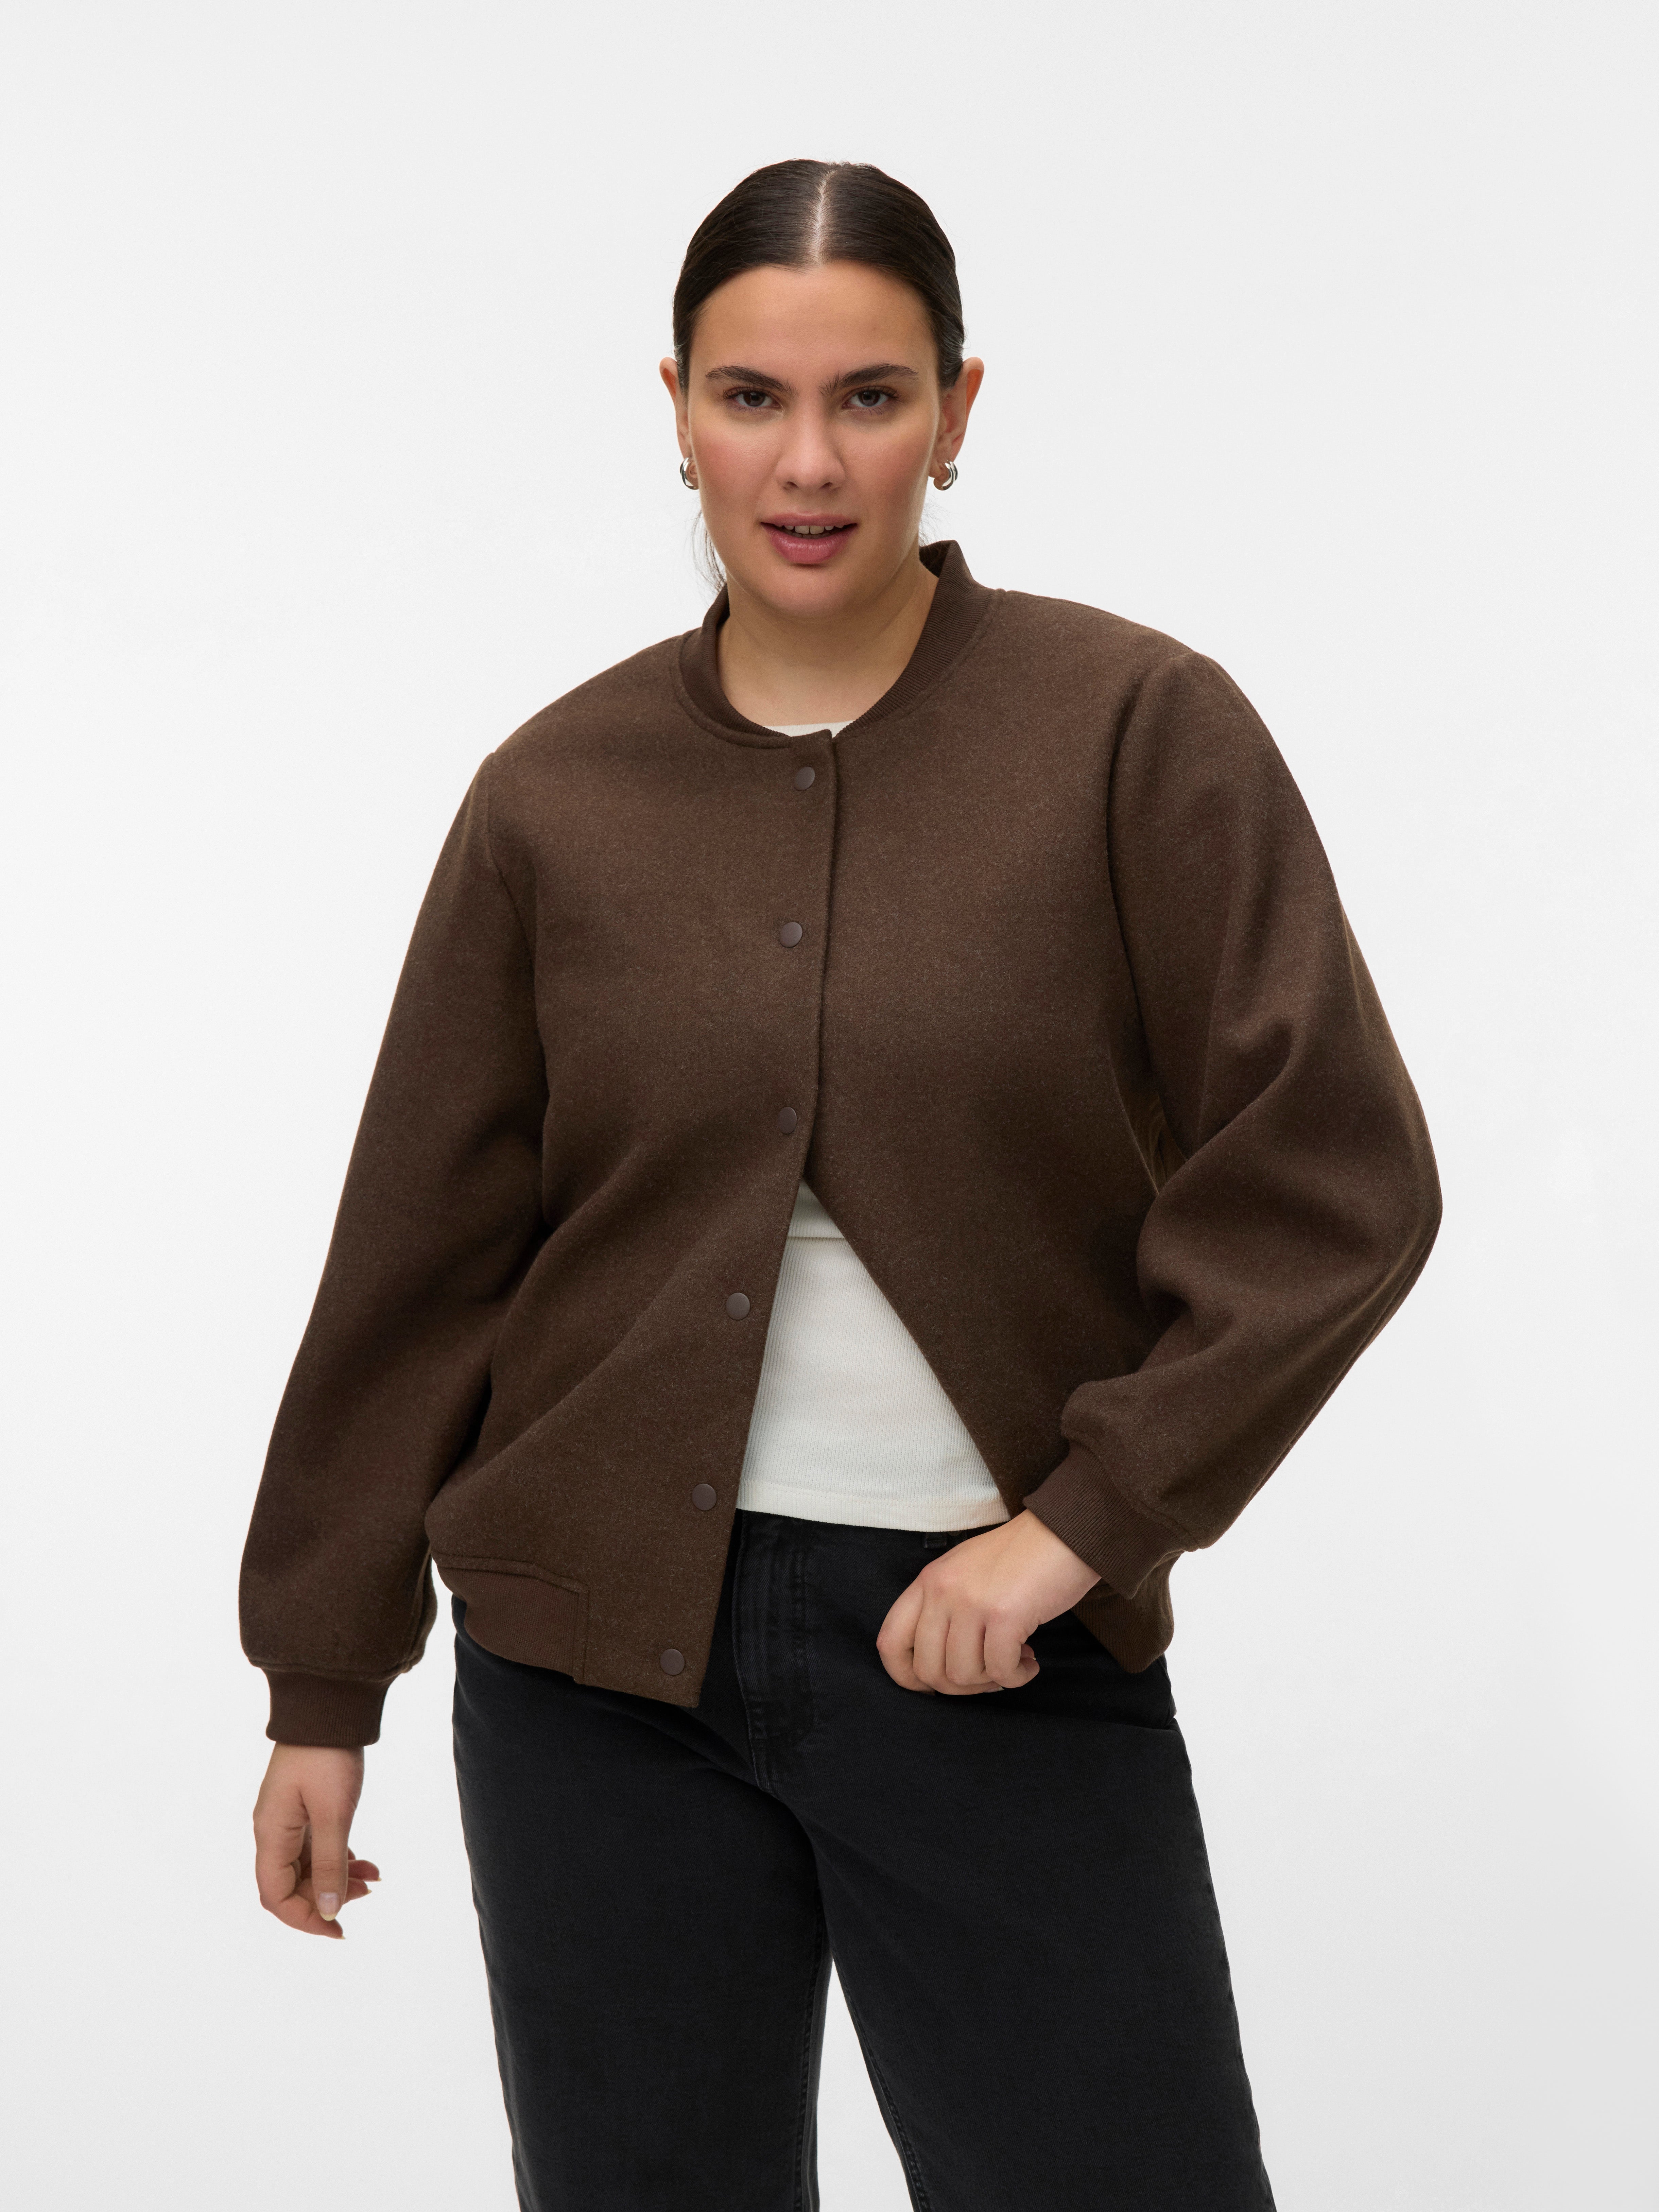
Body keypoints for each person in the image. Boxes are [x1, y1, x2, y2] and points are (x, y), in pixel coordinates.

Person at [242, 159, 1440, 2211]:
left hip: (985, 1651)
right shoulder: (553, 795)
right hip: (588, 1677)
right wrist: (321, 1682)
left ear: (957, 412)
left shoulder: (1131, 731)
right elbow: (423, 1261)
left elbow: (1335, 1182)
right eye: (751, 398)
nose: (807, 464)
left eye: (870, 398)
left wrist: (1076, 1530)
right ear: (678, 411)